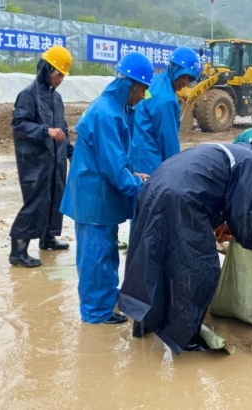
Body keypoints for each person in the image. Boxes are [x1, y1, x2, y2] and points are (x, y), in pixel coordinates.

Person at [119, 137, 252, 354]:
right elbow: (240, 214)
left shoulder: (233, 151)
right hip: (180, 199)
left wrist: (219, 223)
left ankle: (144, 323)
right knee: (202, 270)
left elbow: (211, 189)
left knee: (153, 258)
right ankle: (186, 337)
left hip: (154, 189)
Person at [60, 52, 154, 325]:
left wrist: (135, 175)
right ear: (130, 85)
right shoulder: (106, 113)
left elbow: (117, 159)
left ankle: (105, 301)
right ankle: (95, 313)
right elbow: (113, 168)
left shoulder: (116, 109)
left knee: (106, 253)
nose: (142, 97)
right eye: (142, 91)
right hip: (94, 198)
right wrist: (142, 188)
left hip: (100, 196)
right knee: (95, 257)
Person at [9, 45, 74, 268]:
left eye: (63, 75)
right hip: (35, 161)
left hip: (56, 160)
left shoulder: (56, 98)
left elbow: (62, 129)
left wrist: (70, 152)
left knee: (55, 197)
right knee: (35, 202)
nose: (61, 79)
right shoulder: (28, 95)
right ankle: (18, 251)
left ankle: (48, 239)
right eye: (58, 74)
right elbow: (19, 124)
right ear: (46, 69)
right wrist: (45, 130)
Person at [130, 46, 201, 175]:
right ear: (174, 69)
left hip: (135, 155)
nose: (185, 82)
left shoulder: (155, 81)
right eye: (183, 76)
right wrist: (176, 172)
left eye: (189, 78)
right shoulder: (166, 100)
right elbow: (169, 142)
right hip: (150, 164)